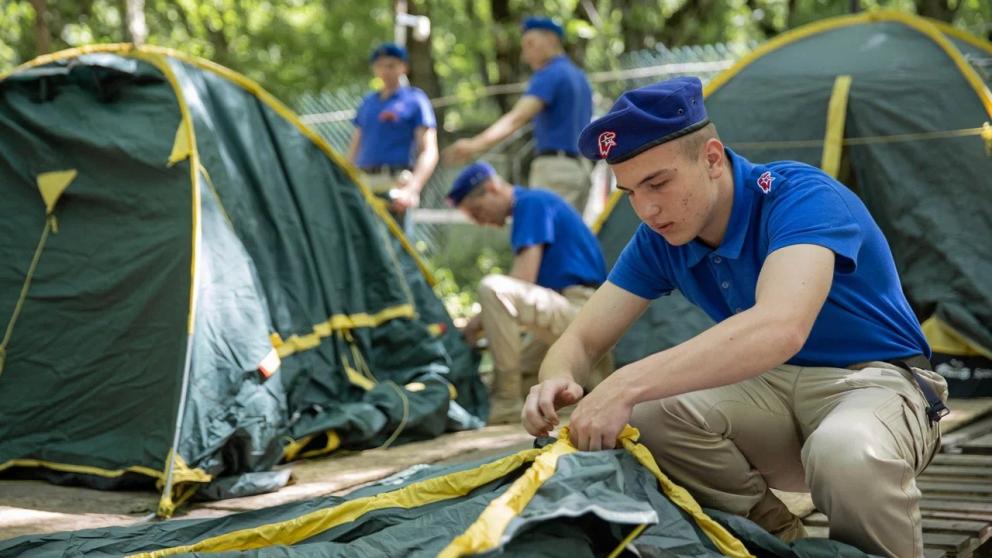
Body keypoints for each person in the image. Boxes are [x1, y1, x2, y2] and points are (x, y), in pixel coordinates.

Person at [521, 77, 949, 558]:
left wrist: (623, 383)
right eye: (630, 193)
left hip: (876, 383)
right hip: (771, 392)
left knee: (845, 450)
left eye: (658, 183)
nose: (647, 209)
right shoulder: (660, 239)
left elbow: (780, 328)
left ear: (711, 158)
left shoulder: (798, 195)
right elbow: (580, 339)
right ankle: (775, 544)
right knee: (644, 418)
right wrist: (554, 379)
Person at [447, 161, 611, 424]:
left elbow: (523, 280)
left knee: (493, 288)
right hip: (570, 314)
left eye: (477, 211)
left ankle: (506, 403)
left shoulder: (530, 203)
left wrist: (473, 325)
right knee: (526, 387)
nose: (480, 221)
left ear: (492, 188)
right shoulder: (533, 205)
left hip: (582, 308)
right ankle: (585, 387)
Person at [443, 17, 594, 214]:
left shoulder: (550, 74)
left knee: (545, 230)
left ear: (551, 39)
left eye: (530, 44)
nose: (525, 55)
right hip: (581, 168)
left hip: (555, 170)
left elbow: (517, 118)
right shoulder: (579, 77)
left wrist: (474, 145)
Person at [348, 43, 438, 234]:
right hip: (364, 185)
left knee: (395, 247)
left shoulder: (415, 100)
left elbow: (429, 150)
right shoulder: (368, 103)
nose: (386, 71)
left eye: (391, 65)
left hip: (396, 185)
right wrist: (346, 180)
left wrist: (412, 189)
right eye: (380, 66)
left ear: (404, 67)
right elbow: (354, 147)